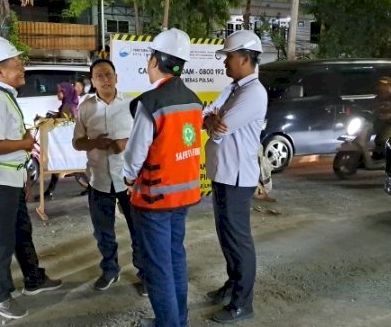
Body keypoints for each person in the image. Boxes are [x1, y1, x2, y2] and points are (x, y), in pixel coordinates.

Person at [0, 36, 62, 320]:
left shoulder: (5, 96)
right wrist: (25, 144)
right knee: (0, 242)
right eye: (16, 64)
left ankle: (33, 279)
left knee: (21, 231)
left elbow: (12, 135)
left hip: (9, 179)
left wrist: (24, 147)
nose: (22, 68)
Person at [123, 28, 203, 327]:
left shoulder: (152, 102)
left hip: (154, 199)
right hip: (183, 197)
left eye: (150, 58)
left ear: (156, 60)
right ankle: (177, 320)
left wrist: (129, 178)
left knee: (158, 269)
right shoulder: (194, 100)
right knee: (175, 260)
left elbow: (135, 156)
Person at [203, 30, 268, 323]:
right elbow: (208, 115)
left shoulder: (253, 93)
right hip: (223, 174)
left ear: (244, 57)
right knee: (227, 237)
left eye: (228, 57)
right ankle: (232, 286)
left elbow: (218, 127)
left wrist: (212, 122)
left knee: (238, 241)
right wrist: (211, 120)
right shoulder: (234, 89)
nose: (224, 63)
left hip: (236, 178)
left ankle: (243, 303)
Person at [73, 59, 145, 295]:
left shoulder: (133, 104)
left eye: (108, 74)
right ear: (92, 81)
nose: (105, 79)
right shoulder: (85, 108)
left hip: (129, 180)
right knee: (103, 231)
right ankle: (110, 270)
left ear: (116, 77)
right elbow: (77, 142)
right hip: (99, 179)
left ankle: (144, 273)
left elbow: (146, 137)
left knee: (138, 229)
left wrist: (124, 143)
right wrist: (94, 142)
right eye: (99, 76)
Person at [38, 82, 80, 199]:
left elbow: (64, 123)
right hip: (64, 143)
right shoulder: (66, 105)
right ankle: (49, 192)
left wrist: (49, 121)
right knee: (58, 167)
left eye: (59, 91)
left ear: (65, 92)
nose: (57, 94)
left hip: (65, 144)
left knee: (59, 166)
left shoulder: (68, 107)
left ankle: (49, 192)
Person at [373, 77, 391, 159]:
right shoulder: (377, 97)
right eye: (381, 85)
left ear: (390, 85)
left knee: (383, 139)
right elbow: (374, 110)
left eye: (386, 85)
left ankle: (389, 158)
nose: (383, 87)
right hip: (379, 123)